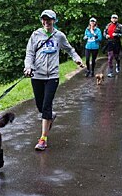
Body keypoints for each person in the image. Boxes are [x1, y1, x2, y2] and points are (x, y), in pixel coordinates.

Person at [24, 9, 83, 151]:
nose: (46, 22)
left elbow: (70, 49)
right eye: (44, 19)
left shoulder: (59, 36)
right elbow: (29, 53)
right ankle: (50, 116)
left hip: (52, 76)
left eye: (49, 19)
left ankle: (43, 139)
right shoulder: (36, 35)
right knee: (40, 106)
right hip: (37, 75)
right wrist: (28, 67)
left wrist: (77, 59)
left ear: (54, 21)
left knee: (46, 106)